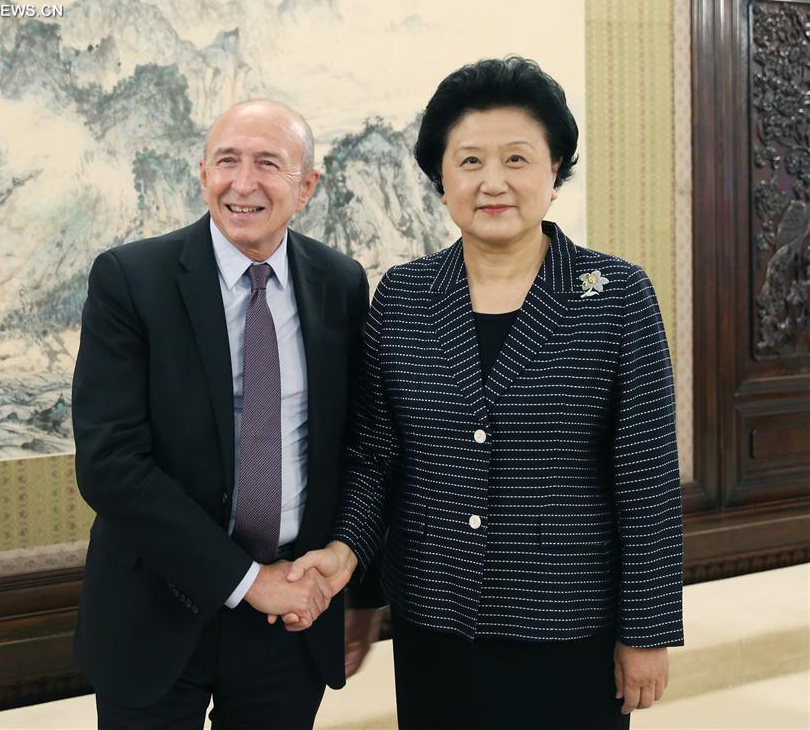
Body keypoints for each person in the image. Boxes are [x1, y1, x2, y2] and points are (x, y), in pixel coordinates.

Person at [287, 57, 685, 729]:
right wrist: (354, 574)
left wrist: (646, 632)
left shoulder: (616, 296)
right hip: (435, 619)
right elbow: (375, 458)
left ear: (554, 171)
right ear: (441, 181)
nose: (492, 182)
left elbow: (646, 478)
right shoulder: (404, 296)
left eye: (517, 159)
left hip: (569, 622)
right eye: (469, 161)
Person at [72, 99, 382, 730]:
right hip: (156, 608)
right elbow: (109, 465)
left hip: (289, 620)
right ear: (202, 172)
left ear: (307, 187)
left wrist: (347, 571)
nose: (244, 183)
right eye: (227, 162)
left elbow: (360, 444)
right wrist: (246, 579)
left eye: (269, 163)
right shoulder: (131, 280)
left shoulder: (341, 283)